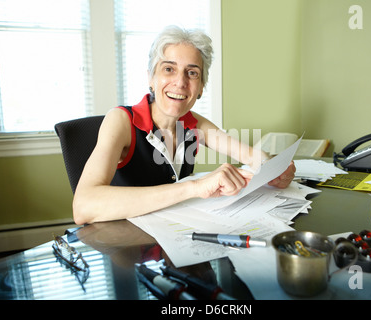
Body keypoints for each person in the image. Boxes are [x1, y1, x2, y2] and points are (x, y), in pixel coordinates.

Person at [73, 26, 296, 225]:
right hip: (123, 244)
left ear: (201, 88)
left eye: (192, 73)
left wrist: (274, 169)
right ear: (151, 78)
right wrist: (195, 187)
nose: (180, 82)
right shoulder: (121, 120)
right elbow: (83, 207)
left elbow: (250, 155)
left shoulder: (194, 124)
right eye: (169, 69)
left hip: (171, 234)